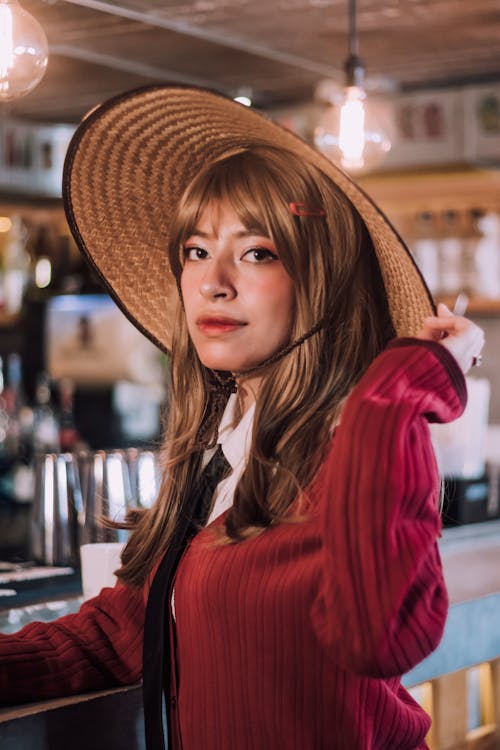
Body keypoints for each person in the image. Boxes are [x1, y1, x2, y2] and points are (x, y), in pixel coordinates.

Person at [0, 86, 485, 750]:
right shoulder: (220, 454)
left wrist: (397, 391)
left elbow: (383, 638)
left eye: (257, 252)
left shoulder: (361, 442)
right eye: (196, 252)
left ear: (323, 281)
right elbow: (123, 635)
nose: (213, 280)